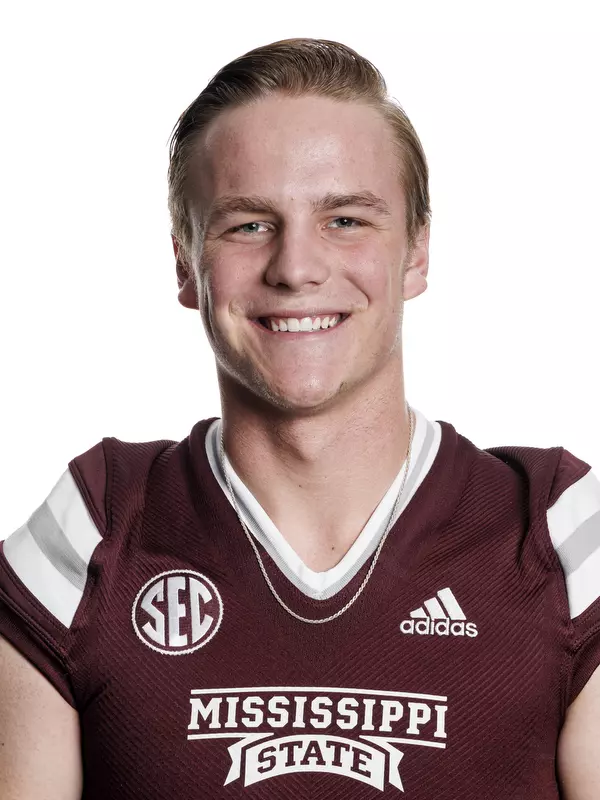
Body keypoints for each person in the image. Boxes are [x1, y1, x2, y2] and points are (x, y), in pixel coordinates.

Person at [0, 37, 598, 800]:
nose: (296, 267)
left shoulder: (558, 535)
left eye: (346, 220)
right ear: (186, 264)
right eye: (248, 225)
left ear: (416, 252)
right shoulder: (91, 534)